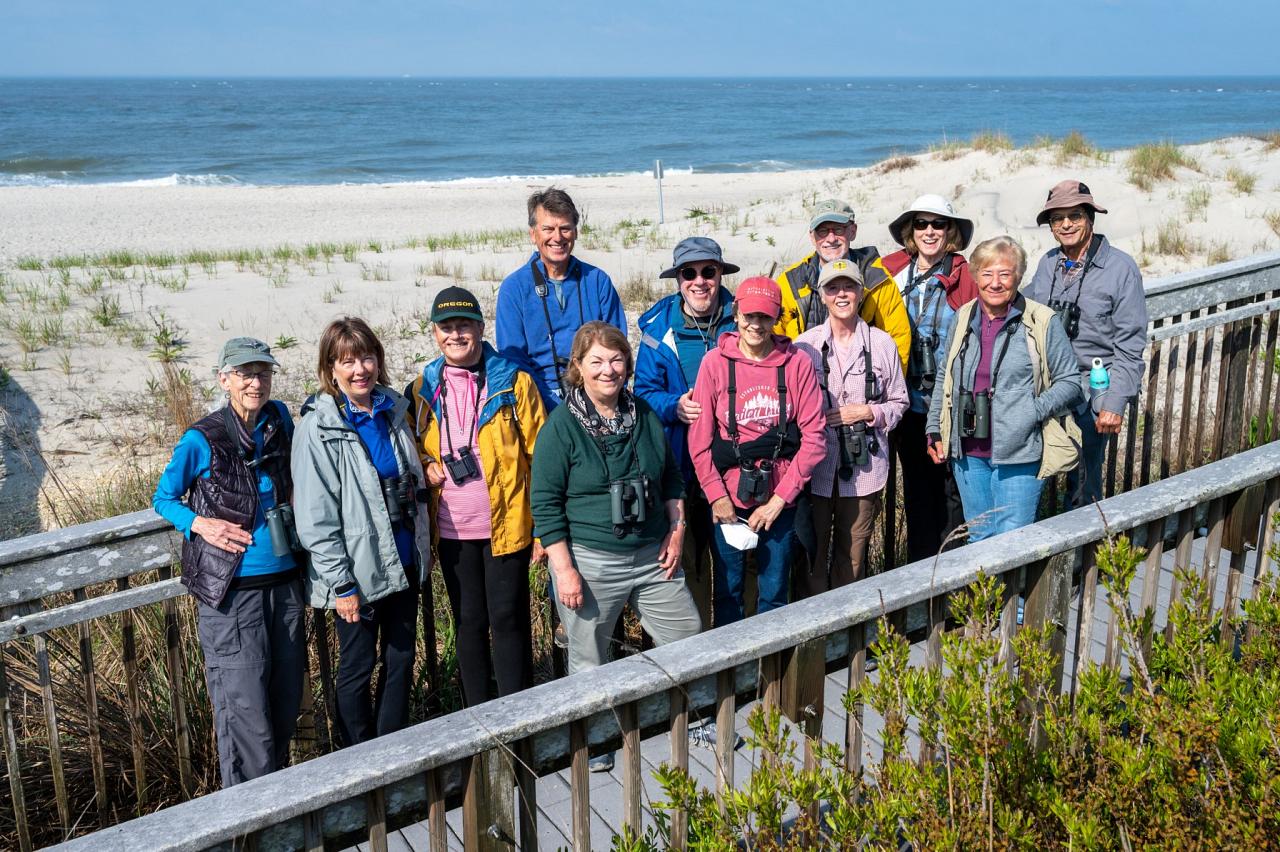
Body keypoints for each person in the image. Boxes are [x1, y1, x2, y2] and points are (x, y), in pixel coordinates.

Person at [531, 321, 698, 771]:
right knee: (588, 658)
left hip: (651, 555)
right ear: (578, 368)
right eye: (597, 361)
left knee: (686, 637)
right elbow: (545, 505)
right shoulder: (561, 428)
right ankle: (596, 742)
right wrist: (564, 570)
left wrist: (677, 530)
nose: (609, 370)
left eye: (617, 359)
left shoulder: (643, 414)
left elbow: (672, 478)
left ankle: (695, 717)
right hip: (591, 560)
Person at [153, 337, 305, 787]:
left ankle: (277, 813)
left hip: (285, 584)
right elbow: (164, 498)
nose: (255, 382)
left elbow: (294, 474)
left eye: (262, 373)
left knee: (284, 705)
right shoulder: (202, 438)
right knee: (245, 718)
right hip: (231, 594)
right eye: (244, 374)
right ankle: (248, 825)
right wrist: (202, 524)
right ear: (224, 379)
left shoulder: (278, 420)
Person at [292, 317, 431, 746]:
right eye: (347, 361)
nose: (360, 370)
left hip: (404, 557)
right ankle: (357, 758)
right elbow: (316, 518)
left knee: (401, 656)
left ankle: (391, 750)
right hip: (357, 571)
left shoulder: (392, 409)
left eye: (366, 358)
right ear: (330, 368)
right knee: (356, 667)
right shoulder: (319, 427)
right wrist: (342, 584)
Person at [407, 287, 547, 707]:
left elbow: (541, 455)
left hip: (507, 525)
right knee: (468, 623)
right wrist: (425, 462)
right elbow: (408, 446)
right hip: (451, 529)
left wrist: (543, 529)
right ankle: (477, 718)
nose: (456, 334)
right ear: (434, 333)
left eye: (464, 325)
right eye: (446, 327)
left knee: (508, 619)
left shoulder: (514, 381)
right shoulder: (422, 388)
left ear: (481, 328)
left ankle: (517, 715)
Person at [688, 277, 827, 625]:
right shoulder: (714, 364)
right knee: (728, 592)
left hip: (779, 500)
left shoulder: (796, 364)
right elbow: (699, 442)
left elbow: (815, 438)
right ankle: (732, 675)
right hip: (728, 500)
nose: (756, 325)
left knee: (775, 592)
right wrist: (716, 496)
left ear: (776, 317)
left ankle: (772, 675)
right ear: (735, 314)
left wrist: (780, 500)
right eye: (749, 315)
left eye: (765, 317)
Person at [926, 237, 1083, 541]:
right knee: (979, 537)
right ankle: (990, 592)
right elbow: (945, 375)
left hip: (1020, 450)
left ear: (1018, 277)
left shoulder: (1041, 320)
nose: (995, 283)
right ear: (975, 276)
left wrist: (1031, 412)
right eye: (987, 274)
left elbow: (1070, 381)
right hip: (968, 451)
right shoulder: (963, 317)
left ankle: (1013, 591)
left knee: (1012, 540)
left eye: (1004, 274)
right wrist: (934, 428)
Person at [634, 237, 739, 629]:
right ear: (678, 279)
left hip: (734, 466)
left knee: (735, 565)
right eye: (689, 273)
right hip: (680, 465)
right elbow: (642, 391)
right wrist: (673, 406)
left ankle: (741, 654)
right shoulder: (657, 328)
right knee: (689, 564)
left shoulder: (742, 316)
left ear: (719, 275)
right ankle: (699, 658)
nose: (699, 281)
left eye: (708, 272)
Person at [1023, 180, 1148, 506]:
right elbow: (1025, 308)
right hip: (1049, 383)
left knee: (1083, 479)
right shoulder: (1049, 262)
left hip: (1095, 385)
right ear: (1050, 227)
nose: (1066, 224)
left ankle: (1084, 554)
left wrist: (1115, 403)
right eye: (1057, 218)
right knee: (1036, 465)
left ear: (1090, 217)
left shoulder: (1121, 268)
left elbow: (1130, 344)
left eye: (1075, 216)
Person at [794, 261, 908, 593]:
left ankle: (846, 636)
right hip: (814, 469)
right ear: (822, 295)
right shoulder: (804, 346)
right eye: (832, 288)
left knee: (853, 557)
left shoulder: (883, 344)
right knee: (810, 555)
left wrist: (867, 412)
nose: (841, 294)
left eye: (848, 287)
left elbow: (900, 401)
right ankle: (812, 636)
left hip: (865, 470)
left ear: (861, 292)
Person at [882, 195, 978, 562]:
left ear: (950, 230)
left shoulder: (965, 276)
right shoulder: (891, 272)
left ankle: (954, 580)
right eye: (921, 224)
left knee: (953, 495)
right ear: (910, 231)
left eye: (939, 224)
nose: (929, 231)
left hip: (949, 405)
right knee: (918, 498)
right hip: (905, 404)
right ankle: (922, 580)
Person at [495, 187, 627, 408]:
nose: (557, 237)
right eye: (548, 228)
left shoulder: (597, 281)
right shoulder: (514, 288)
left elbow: (618, 347)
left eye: (565, 228)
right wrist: (551, 405)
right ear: (533, 234)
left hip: (597, 393)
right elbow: (513, 361)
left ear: (575, 232)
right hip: (538, 398)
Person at [775, 198, 912, 368]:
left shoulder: (877, 280)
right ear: (812, 236)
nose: (831, 238)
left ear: (852, 231)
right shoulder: (791, 282)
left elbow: (898, 339)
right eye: (822, 231)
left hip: (863, 383)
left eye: (838, 229)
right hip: (805, 382)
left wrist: (887, 387)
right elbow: (774, 339)